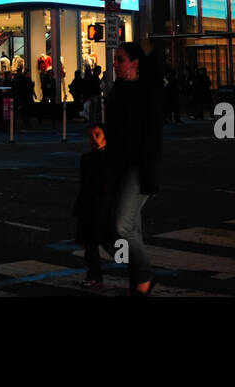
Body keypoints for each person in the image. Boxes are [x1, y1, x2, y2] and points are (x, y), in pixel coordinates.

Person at [103, 41, 164, 296]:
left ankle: (144, 276)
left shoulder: (147, 91)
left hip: (140, 166)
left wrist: (150, 174)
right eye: (115, 60)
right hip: (120, 165)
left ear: (135, 63)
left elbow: (152, 136)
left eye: (120, 60)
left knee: (122, 227)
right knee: (127, 228)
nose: (115, 64)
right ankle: (137, 280)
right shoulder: (117, 90)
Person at [74, 123, 111, 289]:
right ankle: (94, 275)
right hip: (90, 205)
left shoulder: (110, 158)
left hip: (103, 204)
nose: (94, 139)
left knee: (108, 242)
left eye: (97, 135)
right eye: (90, 136)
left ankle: (135, 267)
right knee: (91, 244)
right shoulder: (86, 159)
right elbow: (84, 184)